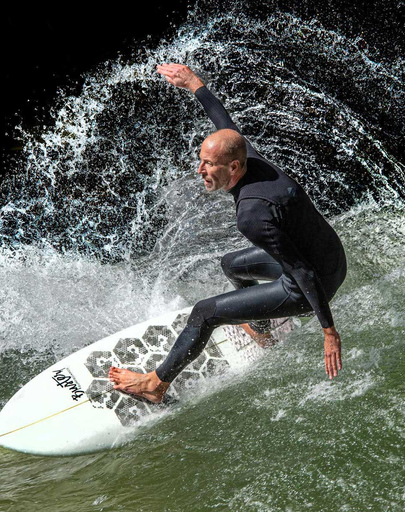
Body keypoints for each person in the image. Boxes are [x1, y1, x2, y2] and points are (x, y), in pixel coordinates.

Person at [109, 63, 347, 403]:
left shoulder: (252, 216)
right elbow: (224, 123)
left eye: (209, 165)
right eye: (201, 161)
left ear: (233, 167)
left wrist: (329, 331)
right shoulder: (249, 157)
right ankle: (262, 329)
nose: (200, 170)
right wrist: (193, 83)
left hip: (314, 283)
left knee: (205, 313)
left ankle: (156, 385)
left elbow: (301, 271)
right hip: (332, 257)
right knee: (232, 264)